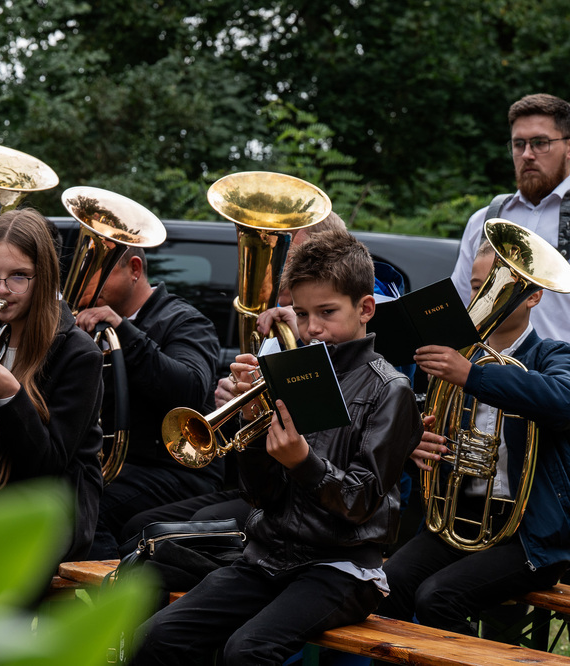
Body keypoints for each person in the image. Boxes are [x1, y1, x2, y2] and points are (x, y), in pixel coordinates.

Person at [129, 229, 422, 666]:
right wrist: (250, 426)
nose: (312, 329)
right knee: (157, 635)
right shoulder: (289, 371)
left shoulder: (390, 389)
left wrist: (303, 463)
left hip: (342, 569)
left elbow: (361, 501)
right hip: (269, 555)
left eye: (327, 312)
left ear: (365, 309)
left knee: (247, 650)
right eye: (302, 314)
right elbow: (259, 495)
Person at [377, 241, 570, 634]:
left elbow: (562, 400)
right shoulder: (454, 360)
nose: (480, 298)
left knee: (438, 598)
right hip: (459, 517)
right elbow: (420, 427)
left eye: (494, 288)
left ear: (534, 296)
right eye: (476, 286)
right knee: (387, 586)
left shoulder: (553, 355)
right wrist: (416, 441)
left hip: (527, 536)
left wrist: (472, 376)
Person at [0, 208, 104, 562]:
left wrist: (11, 397)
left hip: (45, 512)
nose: (1, 291)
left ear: (44, 279)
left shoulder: (78, 352)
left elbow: (48, 464)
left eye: (19, 277)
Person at [73, 246, 221, 560]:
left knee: (84, 508)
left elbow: (189, 391)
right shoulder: (84, 322)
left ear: (135, 269)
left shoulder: (186, 321)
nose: (85, 285)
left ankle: (111, 599)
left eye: (96, 274)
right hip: (120, 467)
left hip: (177, 470)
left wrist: (124, 332)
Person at [451, 93, 570, 342]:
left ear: (568, 147)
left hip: (561, 377)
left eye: (540, 143)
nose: (527, 154)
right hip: (486, 374)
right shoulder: (484, 220)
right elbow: (459, 312)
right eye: (519, 144)